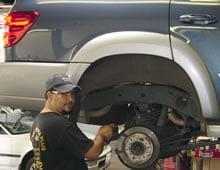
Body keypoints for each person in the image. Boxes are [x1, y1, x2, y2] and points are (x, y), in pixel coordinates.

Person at [30, 74, 115, 170]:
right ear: (50, 95)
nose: (70, 99)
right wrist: (102, 135)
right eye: (64, 94)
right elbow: (92, 153)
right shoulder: (60, 125)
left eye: (72, 94)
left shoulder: (38, 122)